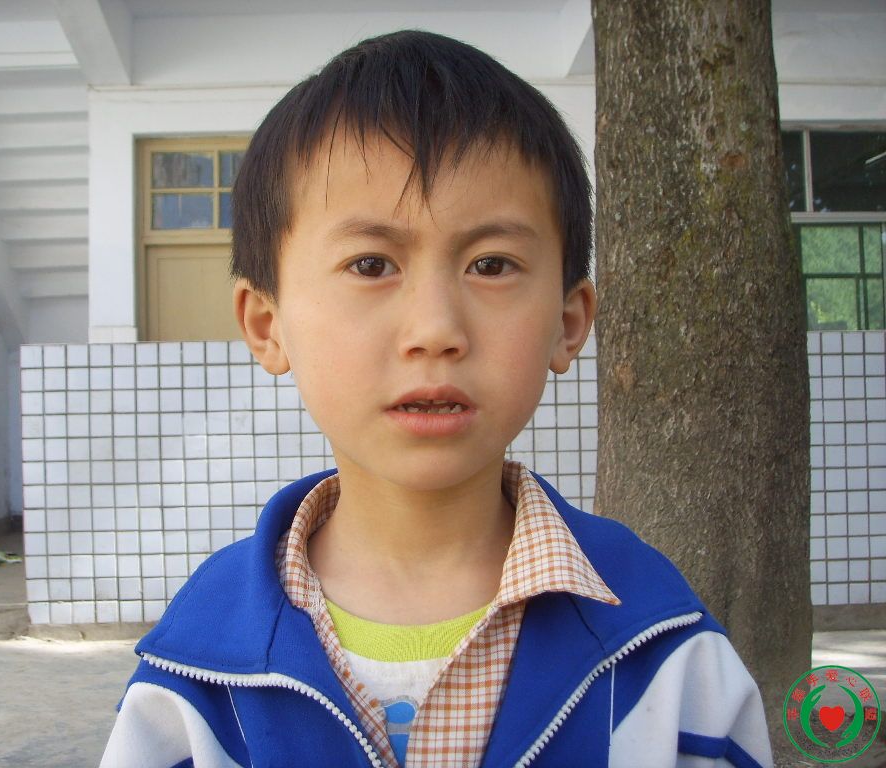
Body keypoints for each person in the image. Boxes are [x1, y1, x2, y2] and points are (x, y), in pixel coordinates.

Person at [101, 30, 773, 768]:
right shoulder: (196, 675)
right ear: (267, 324)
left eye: (492, 264)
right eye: (370, 264)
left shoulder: (667, 653)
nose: (435, 330)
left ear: (568, 321)